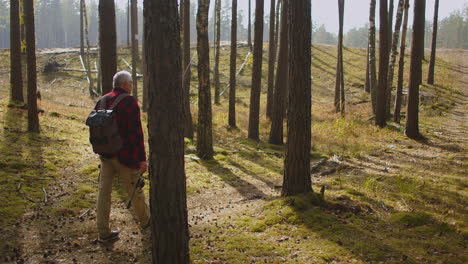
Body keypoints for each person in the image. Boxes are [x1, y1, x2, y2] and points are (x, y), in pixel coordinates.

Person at [95, 71, 150, 242]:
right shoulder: (129, 102)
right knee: (135, 192)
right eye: (131, 82)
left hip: (105, 155)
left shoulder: (102, 100)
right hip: (125, 157)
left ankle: (103, 232)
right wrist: (142, 158)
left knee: (103, 194)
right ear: (125, 84)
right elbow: (136, 133)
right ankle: (148, 225)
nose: (132, 85)